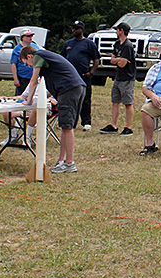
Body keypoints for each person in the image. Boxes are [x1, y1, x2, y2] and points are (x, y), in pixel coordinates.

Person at [18, 45, 85, 173]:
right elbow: (51, 84)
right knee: (66, 127)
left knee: (67, 127)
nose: (29, 66)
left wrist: (29, 100)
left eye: (26, 63)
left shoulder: (39, 56)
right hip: (76, 88)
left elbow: (33, 81)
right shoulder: (48, 59)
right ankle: (61, 161)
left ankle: (69, 163)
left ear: (29, 56)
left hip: (69, 89)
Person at [62, 20, 100, 131]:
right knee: (70, 100)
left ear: (82, 30)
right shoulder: (68, 44)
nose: (74, 30)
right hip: (70, 77)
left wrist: (91, 72)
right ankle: (70, 122)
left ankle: (86, 122)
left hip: (83, 76)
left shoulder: (88, 43)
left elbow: (96, 59)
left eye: (77, 28)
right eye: (73, 28)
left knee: (85, 99)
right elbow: (62, 58)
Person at [100, 22, 136, 135]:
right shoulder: (116, 44)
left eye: (117, 30)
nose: (116, 32)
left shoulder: (128, 46)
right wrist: (119, 59)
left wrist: (118, 60)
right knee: (115, 101)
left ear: (121, 31)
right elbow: (113, 60)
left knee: (128, 103)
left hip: (127, 78)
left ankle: (128, 127)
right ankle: (113, 125)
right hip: (118, 77)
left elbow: (122, 64)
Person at [10, 29, 39, 95]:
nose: (30, 38)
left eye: (31, 36)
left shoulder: (35, 46)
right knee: (21, 95)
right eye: (28, 36)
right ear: (22, 38)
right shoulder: (17, 49)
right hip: (23, 77)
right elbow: (13, 64)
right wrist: (15, 79)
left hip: (34, 76)